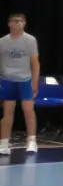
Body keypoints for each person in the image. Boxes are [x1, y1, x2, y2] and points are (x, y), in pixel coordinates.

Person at [1, 14, 40, 155]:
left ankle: (31, 141)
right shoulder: (3, 42)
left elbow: (35, 63)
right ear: (9, 23)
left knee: (28, 110)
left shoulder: (30, 40)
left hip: (25, 80)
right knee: (7, 112)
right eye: (16, 21)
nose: (19, 23)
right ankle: (4, 143)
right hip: (8, 80)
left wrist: (34, 82)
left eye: (22, 21)